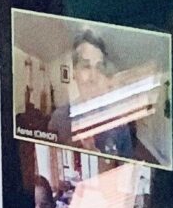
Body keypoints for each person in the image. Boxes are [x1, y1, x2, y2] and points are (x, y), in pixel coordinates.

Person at [47, 30, 163, 167]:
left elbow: (126, 171)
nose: (93, 76)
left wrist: (99, 158)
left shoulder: (119, 123)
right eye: (86, 66)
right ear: (74, 72)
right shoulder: (58, 119)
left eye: (99, 67)